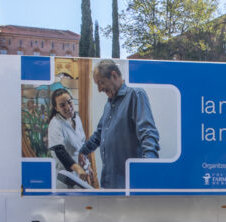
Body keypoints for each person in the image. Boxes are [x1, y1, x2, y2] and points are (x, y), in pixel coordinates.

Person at [78, 60, 160, 189]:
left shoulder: (135, 95)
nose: (99, 89)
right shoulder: (109, 104)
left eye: (101, 82)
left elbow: (148, 133)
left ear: (114, 75)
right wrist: (83, 151)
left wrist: (148, 167)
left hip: (128, 185)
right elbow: (99, 134)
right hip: (109, 183)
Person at [46, 88, 89, 189]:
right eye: (62, 105)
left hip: (80, 175)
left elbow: (82, 144)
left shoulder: (77, 119)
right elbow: (59, 150)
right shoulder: (55, 124)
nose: (68, 107)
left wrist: (88, 165)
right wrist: (77, 168)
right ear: (56, 108)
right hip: (65, 179)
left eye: (69, 102)